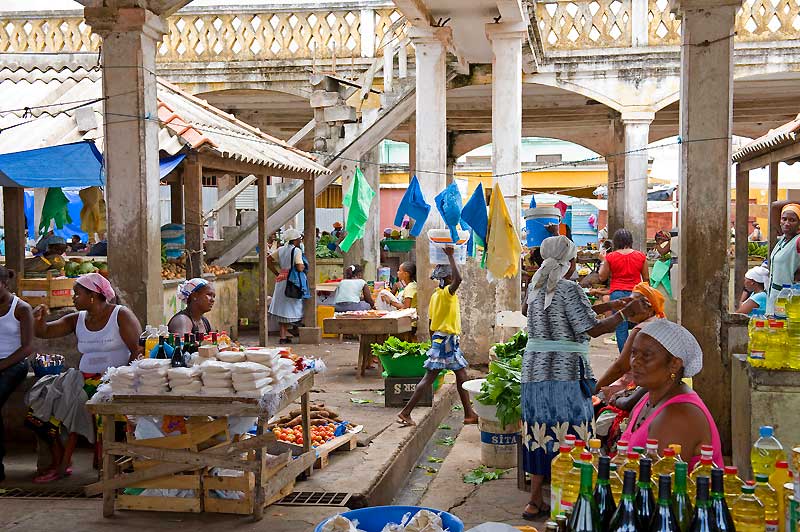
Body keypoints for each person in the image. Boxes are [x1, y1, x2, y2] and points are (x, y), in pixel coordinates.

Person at [519, 236, 649, 520]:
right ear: (570, 261)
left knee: (539, 430)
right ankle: (574, 499)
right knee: (572, 429)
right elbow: (593, 329)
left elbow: (547, 313)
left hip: (534, 372)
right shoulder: (569, 289)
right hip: (564, 372)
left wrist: (609, 307)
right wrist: (626, 313)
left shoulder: (536, 286)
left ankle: (534, 500)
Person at [29, 273, 141, 482]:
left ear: (93, 295)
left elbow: (137, 349)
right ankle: (61, 462)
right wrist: (38, 320)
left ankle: (83, 465)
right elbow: (44, 332)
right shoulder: (76, 319)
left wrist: (119, 379)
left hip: (116, 381)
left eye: (77, 294)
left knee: (81, 404)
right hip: (83, 380)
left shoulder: (120, 315)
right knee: (43, 403)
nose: (73, 298)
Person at [619, 319, 724, 469]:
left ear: (674, 364)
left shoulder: (679, 415)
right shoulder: (648, 398)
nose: (635, 362)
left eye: (647, 355)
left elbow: (657, 484)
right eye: (634, 353)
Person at [396, 248, 478, 427]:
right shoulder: (448, 294)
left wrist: (434, 342)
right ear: (448, 280)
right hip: (447, 340)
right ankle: (406, 411)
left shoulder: (435, 296)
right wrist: (450, 256)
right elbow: (460, 279)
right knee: (430, 377)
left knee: (461, 374)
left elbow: (431, 322)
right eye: (450, 279)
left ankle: (469, 413)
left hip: (442, 339)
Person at [0, 266, 34, 482]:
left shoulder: (21, 308)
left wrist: (2, 364)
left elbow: (27, 347)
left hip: (15, 364)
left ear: (4, 284)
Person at [598, 229, 649, 352]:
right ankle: (638, 355)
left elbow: (602, 277)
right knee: (639, 326)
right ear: (630, 241)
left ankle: (624, 358)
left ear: (615, 242)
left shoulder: (610, 257)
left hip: (617, 294)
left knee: (621, 327)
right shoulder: (641, 256)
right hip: (636, 293)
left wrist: (603, 260)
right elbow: (646, 278)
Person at [268, 228, 307, 344]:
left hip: (281, 280)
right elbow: (299, 267)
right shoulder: (297, 251)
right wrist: (304, 267)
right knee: (294, 306)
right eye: (299, 239)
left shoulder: (280, 249)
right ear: (294, 240)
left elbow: (268, 260)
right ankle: (294, 330)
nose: (300, 241)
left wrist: (277, 272)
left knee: (282, 309)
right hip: (292, 281)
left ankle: (283, 335)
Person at [766, 203, 800, 314]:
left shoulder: (798, 241)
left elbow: (776, 206)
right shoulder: (783, 240)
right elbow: (774, 206)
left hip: (788, 299)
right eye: (784, 219)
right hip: (774, 296)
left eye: (792, 220)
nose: (787, 223)